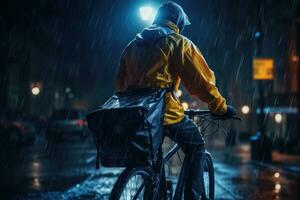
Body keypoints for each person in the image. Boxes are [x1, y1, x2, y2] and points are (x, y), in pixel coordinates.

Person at [115, 1, 236, 199]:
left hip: (135, 113)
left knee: (152, 162)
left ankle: (153, 192)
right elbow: (201, 82)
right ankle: (194, 196)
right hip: (163, 111)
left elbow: (119, 83)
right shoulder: (177, 42)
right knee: (196, 145)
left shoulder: (133, 44)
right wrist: (220, 107)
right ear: (177, 22)